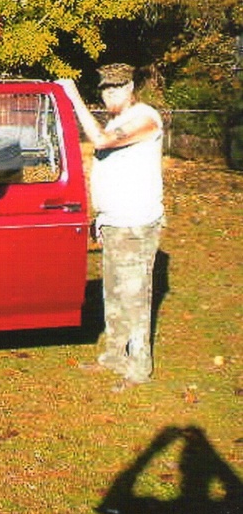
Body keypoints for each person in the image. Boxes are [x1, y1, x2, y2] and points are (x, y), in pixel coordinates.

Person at [59, 64, 164, 385]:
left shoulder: (145, 118)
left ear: (131, 87)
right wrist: (101, 218)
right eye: (105, 89)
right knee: (114, 295)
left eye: (117, 88)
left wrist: (72, 95)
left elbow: (102, 141)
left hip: (137, 223)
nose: (110, 94)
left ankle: (139, 368)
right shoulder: (119, 120)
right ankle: (114, 357)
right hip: (115, 222)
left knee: (135, 297)